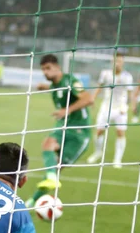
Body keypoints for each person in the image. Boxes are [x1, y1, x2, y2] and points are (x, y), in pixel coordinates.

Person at [26, 54, 94, 207]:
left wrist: (67, 110)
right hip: (64, 127)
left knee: (57, 167)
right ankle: (34, 198)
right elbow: (55, 88)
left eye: (48, 68)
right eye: (43, 69)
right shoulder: (55, 85)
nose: (45, 72)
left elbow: (88, 98)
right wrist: (44, 87)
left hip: (79, 133)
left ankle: (33, 200)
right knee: (48, 144)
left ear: (57, 67)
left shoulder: (70, 81)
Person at [86, 51, 134, 168]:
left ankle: (117, 159)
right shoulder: (105, 74)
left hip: (120, 109)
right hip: (106, 107)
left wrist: (127, 107)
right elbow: (99, 87)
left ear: (123, 63)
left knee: (120, 133)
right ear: (112, 62)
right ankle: (98, 152)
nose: (117, 63)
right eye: (115, 61)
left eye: (120, 61)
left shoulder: (127, 77)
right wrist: (92, 99)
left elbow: (129, 93)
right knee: (98, 132)